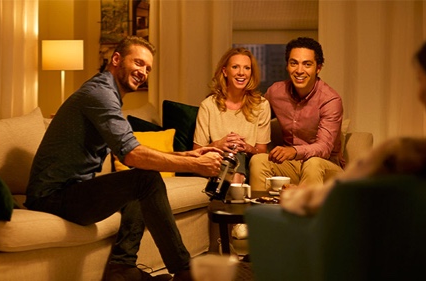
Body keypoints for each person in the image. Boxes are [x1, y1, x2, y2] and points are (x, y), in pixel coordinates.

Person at [25, 36, 223, 281]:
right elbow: (132, 155)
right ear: (117, 59)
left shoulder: (108, 93)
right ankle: (183, 271)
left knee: (136, 186)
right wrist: (195, 165)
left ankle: (122, 269)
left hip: (71, 190)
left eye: (148, 68)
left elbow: (132, 150)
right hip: (51, 197)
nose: (143, 72)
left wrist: (185, 154)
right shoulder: (99, 93)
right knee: (144, 181)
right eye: (138, 63)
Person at [280, 21, 426, 218]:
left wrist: (290, 195)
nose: (420, 94)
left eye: (421, 81)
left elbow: (318, 200)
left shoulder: (407, 155)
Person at [249, 37, 344, 191]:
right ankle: (262, 213)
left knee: (313, 163)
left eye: (307, 64)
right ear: (287, 66)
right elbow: (254, 117)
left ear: (318, 68)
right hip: (291, 166)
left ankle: (306, 213)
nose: (299, 70)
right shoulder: (276, 92)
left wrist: (293, 151)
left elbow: (324, 148)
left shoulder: (330, 100)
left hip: (326, 167)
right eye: (294, 63)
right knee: (258, 160)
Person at [193, 47, 271, 184]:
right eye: (235, 67)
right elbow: (196, 151)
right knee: (230, 153)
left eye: (247, 68)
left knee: (237, 153)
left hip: (248, 164)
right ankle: (234, 195)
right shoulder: (208, 105)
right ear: (225, 71)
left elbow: (262, 151)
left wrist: (246, 147)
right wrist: (219, 144)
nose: (241, 73)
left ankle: (228, 192)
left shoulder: (262, 105)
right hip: (217, 163)